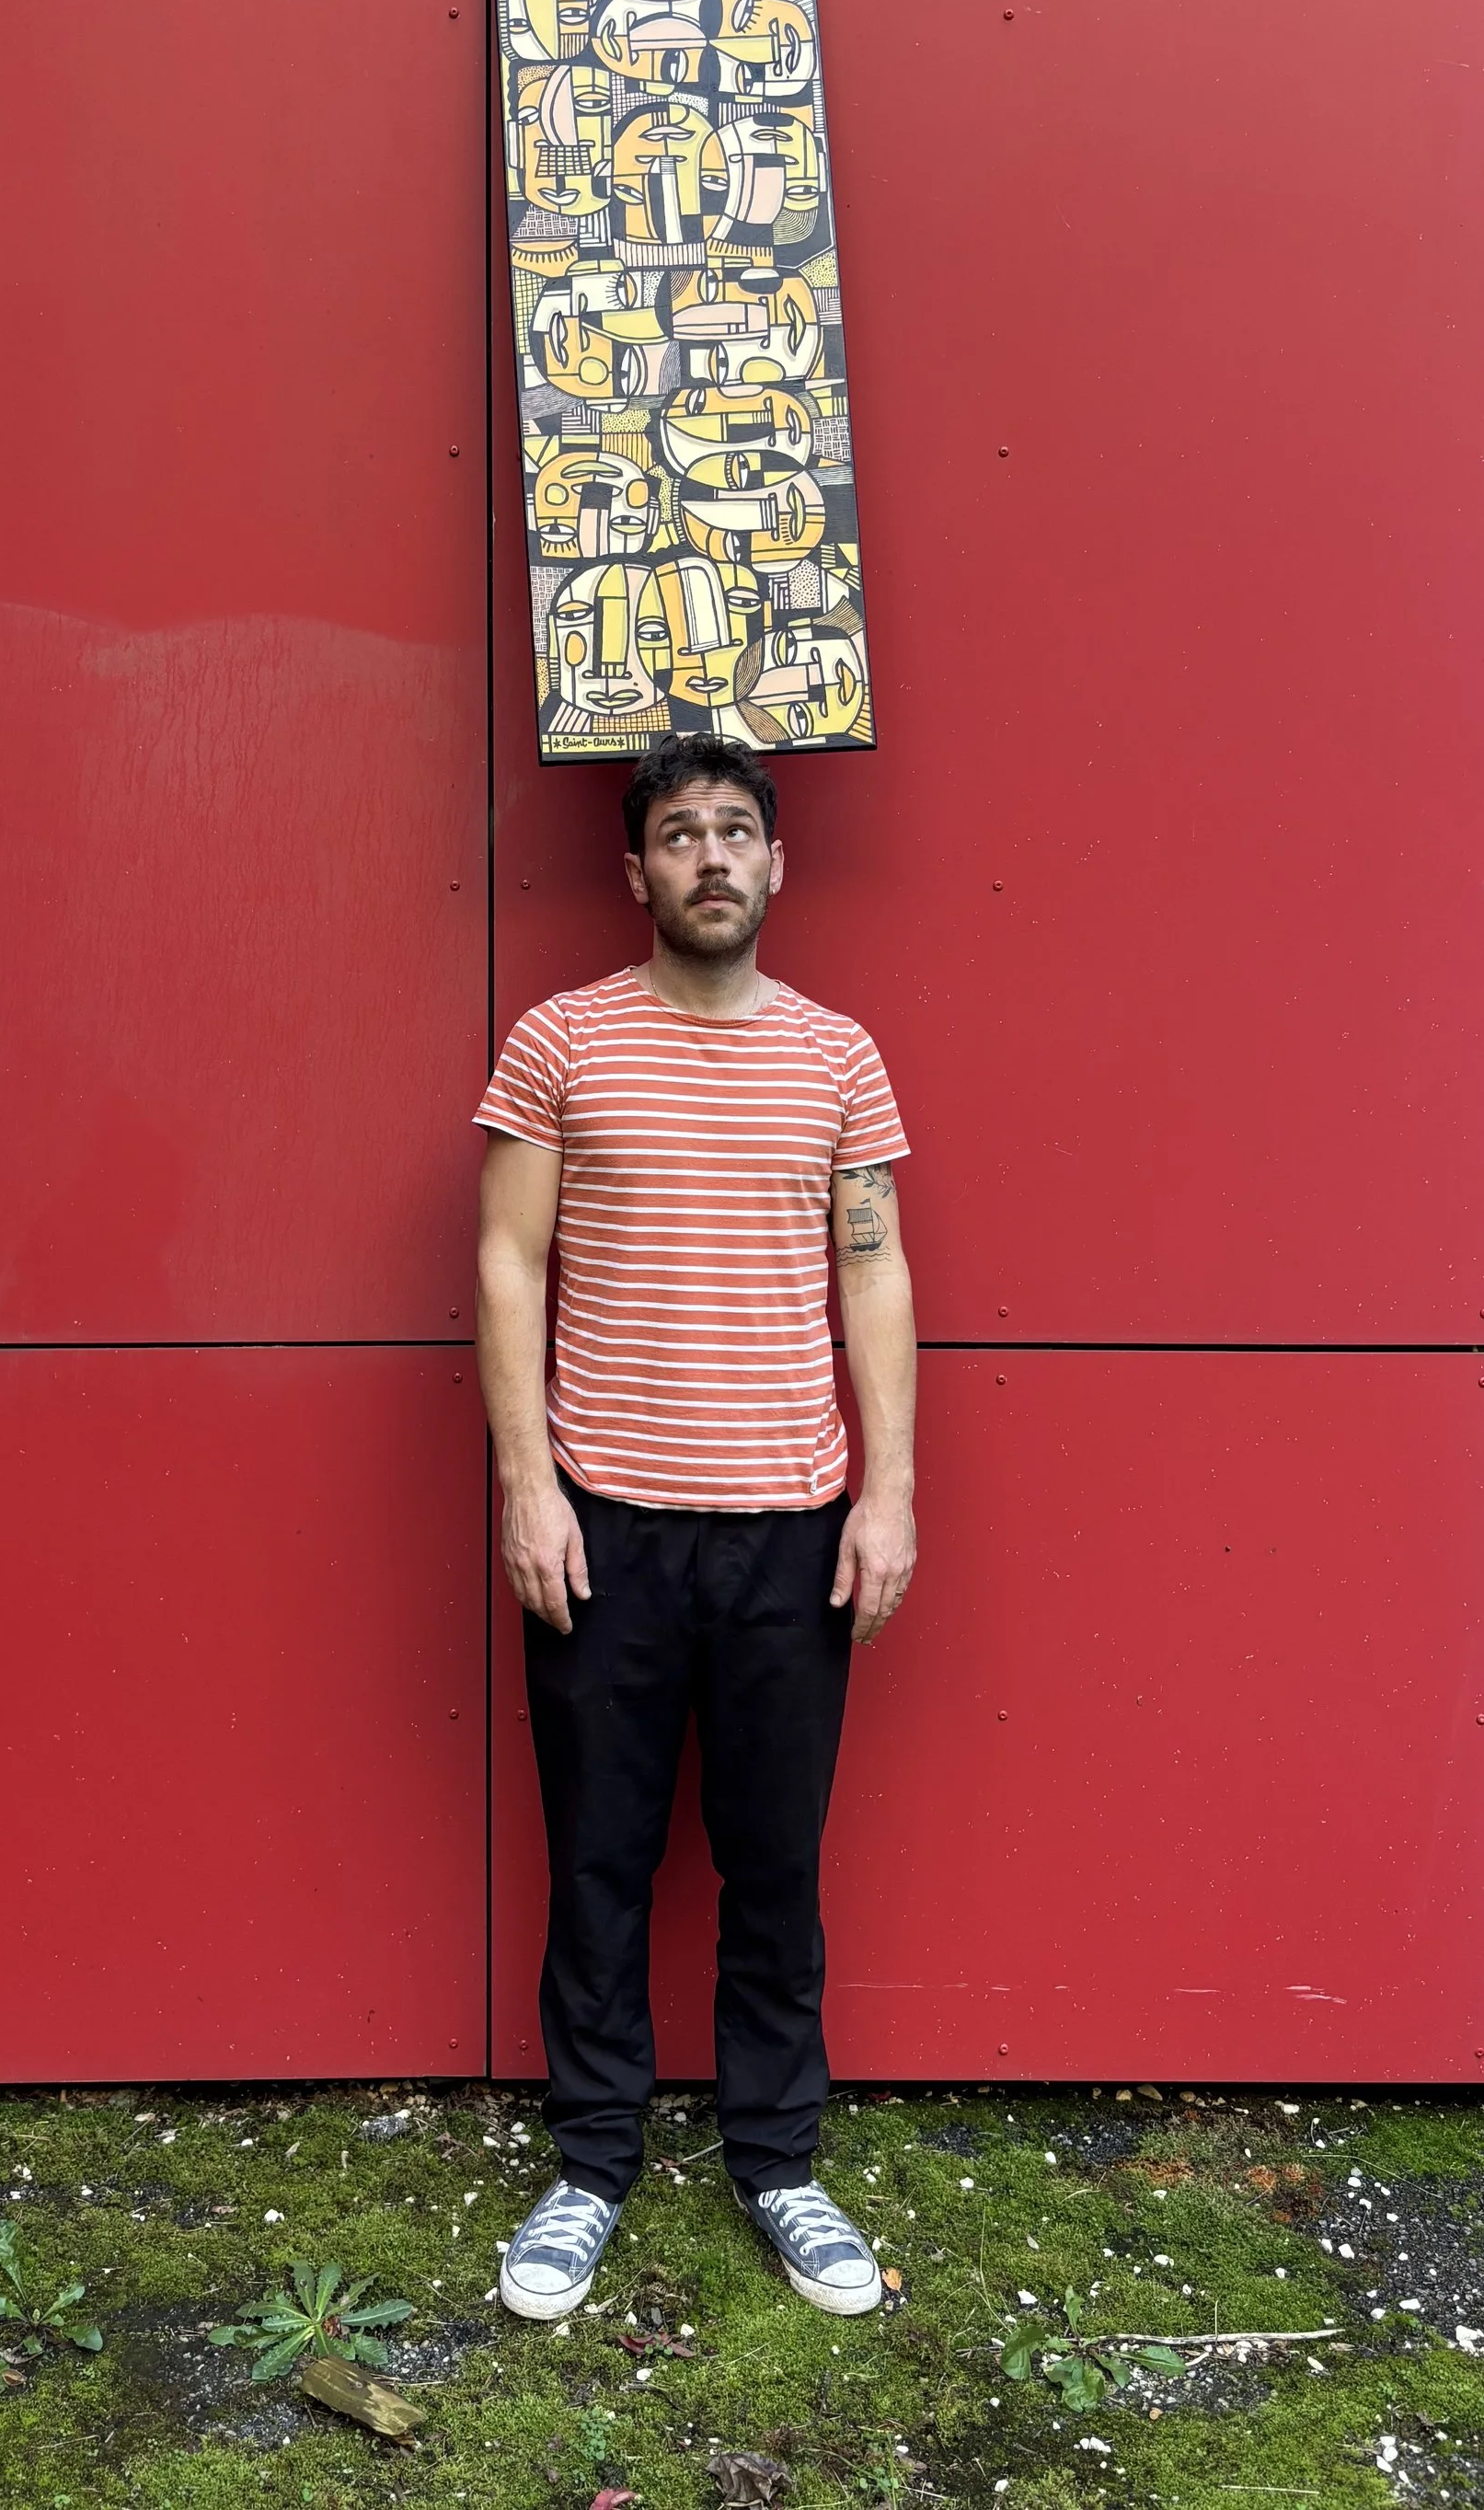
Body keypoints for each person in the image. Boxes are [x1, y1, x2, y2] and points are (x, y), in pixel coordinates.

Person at [473, 735, 918, 2322]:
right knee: (597, 1858)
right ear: (637, 869)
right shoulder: (559, 1044)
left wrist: (890, 1490)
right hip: (604, 1527)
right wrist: (527, 1485)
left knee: (773, 1863)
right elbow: (509, 1262)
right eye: (680, 834)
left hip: (789, 1528)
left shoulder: (839, 1058)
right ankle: (590, 2165)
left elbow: (871, 1268)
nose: (712, 856)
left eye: (738, 830)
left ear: (777, 863)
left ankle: (778, 2160)